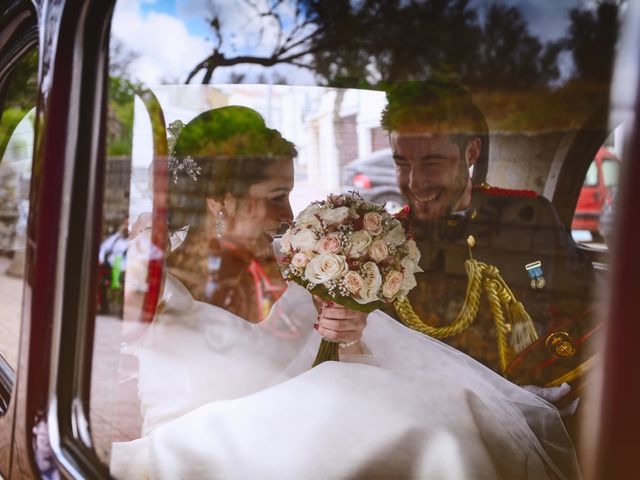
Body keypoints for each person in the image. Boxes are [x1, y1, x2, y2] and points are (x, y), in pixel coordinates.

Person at [109, 105, 580, 480]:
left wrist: (350, 332)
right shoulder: (148, 278)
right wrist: (131, 256)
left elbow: (347, 357)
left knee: (448, 415)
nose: (289, 211)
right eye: (275, 195)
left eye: (290, 193)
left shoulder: (300, 263)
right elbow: (98, 318)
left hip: (309, 448)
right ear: (219, 200)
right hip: (208, 455)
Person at [381, 81, 596, 388]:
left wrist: (556, 381)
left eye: (432, 163)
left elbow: (586, 302)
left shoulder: (531, 217)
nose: (415, 183)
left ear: (471, 152)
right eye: (402, 164)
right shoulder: (389, 240)